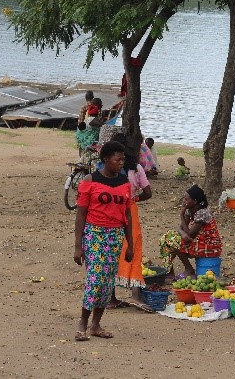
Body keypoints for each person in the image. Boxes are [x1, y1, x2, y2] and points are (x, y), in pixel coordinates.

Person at [73, 141, 133, 341]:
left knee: (107, 282)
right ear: (106, 159)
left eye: (123, 159)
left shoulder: (125, 183)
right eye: (118, 159)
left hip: (115, 236)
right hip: (94, 233)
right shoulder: (90, 181)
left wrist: (130, 244)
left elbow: (127, 215)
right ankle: (83, 322)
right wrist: (78, 246)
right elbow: (80, 214)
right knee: (95, 279)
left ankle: (96, 325)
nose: (121, 163)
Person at [112, 150, 153, 312]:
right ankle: (135, 295)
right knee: (134, 249)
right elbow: (148, 193)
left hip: (113, 212)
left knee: (114, 249)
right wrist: (135, 199)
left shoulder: (110, 170)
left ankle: (111, 297)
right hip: (131, 210)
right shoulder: (136, 169)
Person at [158, 185, 222, 278]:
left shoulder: (203, 212)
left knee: (174, 241)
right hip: (198, 240)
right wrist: (182, 232)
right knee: (166, 238)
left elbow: (189, 235)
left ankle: (189, 269)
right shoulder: (190, 210)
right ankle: (169, 271)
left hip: (209, 245)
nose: (184, 201)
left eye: (186, 199)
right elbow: (182, 229)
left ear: (195, 201)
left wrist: (181, 215)